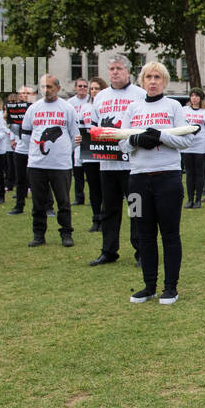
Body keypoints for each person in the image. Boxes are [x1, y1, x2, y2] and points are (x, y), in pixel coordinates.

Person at [122, 62, 192, 303]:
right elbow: (121, 142)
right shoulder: (132, 108)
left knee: (170, 234)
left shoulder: (174, 106)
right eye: (148, 77)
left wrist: (161, 135)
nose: (153, 81)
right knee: (144, 234)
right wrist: (137, 140)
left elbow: (186, 141)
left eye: (157, 77)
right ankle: (148, 285)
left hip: (168, 177)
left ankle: (170, 287)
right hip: (137, 179)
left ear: (165, 81)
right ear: (142, 81)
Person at [89, 56, 146, 266]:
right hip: (107, 164)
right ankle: (109, 250)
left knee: (136, 209)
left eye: (119, 68)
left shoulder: (140, 94)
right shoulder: (101, 97)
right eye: (111, 68)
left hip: (132, 164)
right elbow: (94, 127)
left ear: (128, 71)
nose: (114, 72)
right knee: (109, 209)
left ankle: (141, 251)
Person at [22, 74, 80, 248]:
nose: (46, 90)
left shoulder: (67, 108)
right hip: (37, 164)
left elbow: (75, 135)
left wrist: (64, 152)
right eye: (42, 87)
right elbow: (25, 134)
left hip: (60, 164)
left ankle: (66, 233)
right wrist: (34, 151)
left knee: (63, 201)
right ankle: (39, 234)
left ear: (58, 88)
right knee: (38, 203)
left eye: (49, 87)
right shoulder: (33, 108)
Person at [73, 79, 103, 231]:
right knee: (93, 186)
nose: (93, 91)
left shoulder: (104, 106)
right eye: (92, 88)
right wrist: (79, 138)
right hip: (88, 150)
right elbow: (80, 128)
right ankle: (96, 218)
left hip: (104, 150)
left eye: (97, 88)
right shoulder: (85, 107)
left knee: (104, 186)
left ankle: (105, 218)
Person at [6, 87, 35, 215]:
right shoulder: (15, 109)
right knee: (20, 179)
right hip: (21, 148)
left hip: (36, 149)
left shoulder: (38, 108)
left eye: (27, 93)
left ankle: (47, 206)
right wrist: (12, 139)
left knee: (40, 179)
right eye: (22, 93)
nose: (24, 95)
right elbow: (11, 126)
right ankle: (19, 205)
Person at [180, 88, 205, 209]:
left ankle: (198, 199)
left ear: (201, 98)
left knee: (199, 173)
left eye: (197, 96)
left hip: (200, 146)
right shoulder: (184, 110)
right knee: (189, 173)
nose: (194, 98)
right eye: (192, 96)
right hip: (187, 147)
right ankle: (190, 199)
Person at [69, 79, 92, 204]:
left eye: (85, 86)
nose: (82, 88)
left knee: (90, 171)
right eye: (80, 86)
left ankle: (92, 197)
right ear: (75, 87)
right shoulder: (70, 102)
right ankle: (79, 197)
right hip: (77, 138)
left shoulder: (91, 100)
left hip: (89, 138)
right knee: (77, 169)